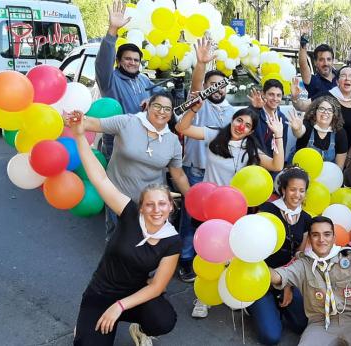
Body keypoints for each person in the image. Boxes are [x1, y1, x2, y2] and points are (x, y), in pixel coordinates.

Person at [69, 111, 180, 346]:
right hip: (100, 293)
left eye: (162, 204)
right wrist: (80, 137)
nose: (156, 210)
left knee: (164, 320)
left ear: (171, 206)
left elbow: (157, 286)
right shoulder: (129, 213)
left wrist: (119, 306)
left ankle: (138, 327)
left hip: (133, 295)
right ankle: (86, 325)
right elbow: (100, 179)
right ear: (141, 207)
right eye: (149, 204)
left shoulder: (172, 240)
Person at [176, 106, 284, 318]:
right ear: (232, 120)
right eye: (238, 120)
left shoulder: (250, 149)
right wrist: (194, 108)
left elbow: (276, 164)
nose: (241, 126)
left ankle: (231, 290)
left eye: (247, 125)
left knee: (232, 254)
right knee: (208, 252)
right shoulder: (215, 135)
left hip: (236, 210)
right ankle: (203, 297)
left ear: (251, 131)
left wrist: (278, 135)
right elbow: (182, 127)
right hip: (210, 207)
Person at [71, 92, 190, 241]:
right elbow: (93, 123)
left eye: (167, 109)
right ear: (148, 106)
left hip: (151, 206)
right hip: (118, 199)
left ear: (171, 113)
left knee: (147, 248)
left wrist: (192, 198)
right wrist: (76, 119)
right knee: (117, 242)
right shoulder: (127, 122)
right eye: (157, 106)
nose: (161, 111)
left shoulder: (172, 141)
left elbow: (178, 175)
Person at [268, 216, 351, 346]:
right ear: (310, 239)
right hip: (319, 323)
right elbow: (279, 276)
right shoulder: (303, 263)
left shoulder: (350, 258)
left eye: (327, 234)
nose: (321, 239)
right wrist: (261, 269)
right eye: (315, 235)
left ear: (334, 238)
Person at [175, 38, 235, 283]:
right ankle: (186, 260)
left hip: (221, 175)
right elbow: (196, 85)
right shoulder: (199, 103)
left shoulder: (233, 112)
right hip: (195, 171)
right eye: (213, 85)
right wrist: (201, 64)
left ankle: (215, 257)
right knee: (192, 218)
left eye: (221, 86)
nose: (217, 90)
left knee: (218, 219)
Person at [249, 167, 312, 345]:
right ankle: (255, 306)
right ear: (283, 190)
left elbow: (299, 256)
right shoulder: (267, 209)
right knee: (271, 337)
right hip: (261, 274)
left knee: (301, 325)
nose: (297, 195)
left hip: (286, 277)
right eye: (292, 189)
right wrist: (270, 277)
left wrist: (288, 285)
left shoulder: (306, 218)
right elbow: (252, 247)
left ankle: (277, 304)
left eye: (302, 190)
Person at [96, 0, 155, 160]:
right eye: (128, 59)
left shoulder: (143, 80)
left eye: (136, 60)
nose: (132, 63)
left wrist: (152, 100)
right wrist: (113, 30)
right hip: (117, 142)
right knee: (116, 184)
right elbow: (103, 61)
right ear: (118, 61)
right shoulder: (109, 80)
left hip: (144, 140)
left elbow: (161, 96)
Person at [292, 66, 351, 148]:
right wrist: (295, 97)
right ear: (337, 81)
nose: (347, 78)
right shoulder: (326, 95)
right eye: (343, 75)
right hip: (322, 148)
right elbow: (301, 106)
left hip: (349, 151)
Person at [288, 95, 349, 168]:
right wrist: (296, 129)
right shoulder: (307, 125)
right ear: (315, 111)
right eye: (321, 109)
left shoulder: (340, 133)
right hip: (300, 170)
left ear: (334, 114)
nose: (325, 112)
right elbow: (299, 133)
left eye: (330, 110)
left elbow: (339, 166)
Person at [248, 80, 290, 163]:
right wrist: (254, 109)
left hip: (273, 164)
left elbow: (282, 148)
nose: (275, 99)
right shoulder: (253, 112)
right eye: (271, 94)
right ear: (263, 94)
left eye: (278, 95)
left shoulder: (283, 119)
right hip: (252, 161)